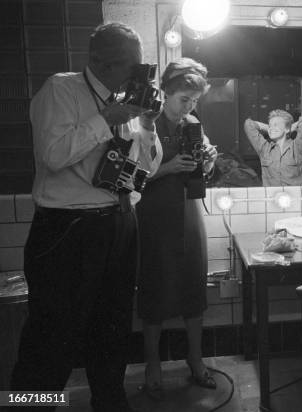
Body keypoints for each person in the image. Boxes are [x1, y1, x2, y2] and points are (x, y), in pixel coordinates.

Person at [11, 23, 162, 412]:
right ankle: (28, 407)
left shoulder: (129, 98)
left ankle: (110, 402)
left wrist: (145, 126)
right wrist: (106, 118)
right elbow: (53, 155)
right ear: (98, 61)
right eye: (131, 64)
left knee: (112, 328)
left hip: (119, 221)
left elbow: (147, 167)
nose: (138, 72)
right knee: (50, 336)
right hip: (68, 228)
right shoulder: (61, 90)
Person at [135, 57, 218, 399]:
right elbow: (132, 175)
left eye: (195, 101)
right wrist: (167, 168)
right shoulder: (146, 123)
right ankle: (152, 363)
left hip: (187, 212)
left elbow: (202, 170)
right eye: (184, 99)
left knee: (193, 285)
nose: (189, 107)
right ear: (165, 94)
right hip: (154, 214)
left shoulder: (193, 123)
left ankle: (195, 359)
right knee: (154, 284)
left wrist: (209, 161)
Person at [244, 110, 302, 186]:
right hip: (271, 196)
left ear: (286, 129)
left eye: (276, 125)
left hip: (294, 196)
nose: (271, 128)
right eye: (270, 125)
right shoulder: (264, 149)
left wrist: (289, 128)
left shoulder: (297, 147)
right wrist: (270, 129)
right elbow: (248, 125)